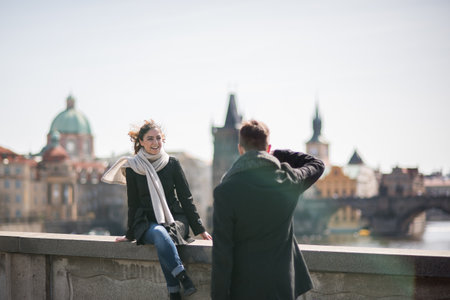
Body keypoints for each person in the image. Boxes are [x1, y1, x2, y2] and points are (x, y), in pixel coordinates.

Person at [211, 120, 325, 300]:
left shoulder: (224, 192)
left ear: (240, 149)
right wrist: (276, 154)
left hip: (243, 289)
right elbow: (317, 164)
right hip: (282, 286)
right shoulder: (288, 180)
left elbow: (222, 253)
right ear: (268, 147)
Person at [102, 120, 212, 300]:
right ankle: (182, 276)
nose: (155, 142)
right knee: (161, 233)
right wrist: (130, 234)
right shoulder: (133, 167)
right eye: (150, 139)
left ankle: (174, 291)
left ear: (163, 140)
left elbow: (186, 198)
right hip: (145, 221)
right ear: (141, 142)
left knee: (165, 234)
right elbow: (133, 204)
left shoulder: (172, 163)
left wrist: (199, 228)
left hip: (174, 218)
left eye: (158, 138)